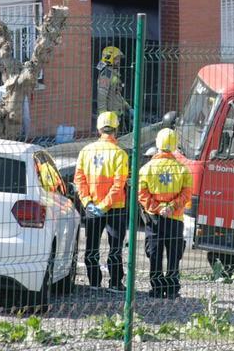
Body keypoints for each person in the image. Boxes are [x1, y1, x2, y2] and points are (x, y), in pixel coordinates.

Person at [73, 111, 129, 289]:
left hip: (92, 206)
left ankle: (94, 282)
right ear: (116, 129)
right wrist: (105, 205)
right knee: (115, 249)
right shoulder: (120, 154)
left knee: (91, 248)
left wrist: (88, 202)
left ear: (98, 129)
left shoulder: (85, 151)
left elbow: (79, 179)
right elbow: (119, 185)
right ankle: (115, 284)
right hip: (115, 208)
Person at [137, 128, 193, 298]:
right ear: (175, 145)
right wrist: (171, 207)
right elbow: (187, 194)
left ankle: (156, 287)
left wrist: (157, 208)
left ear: (157, 144)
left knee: (155, 253)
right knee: (174, 254)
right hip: (175, 218)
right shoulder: (183, 170)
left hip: (154, 219)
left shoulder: (147, 168)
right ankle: (172, 287)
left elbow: (142, 194)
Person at [96, 46, 130, 120]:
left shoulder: (114, 73)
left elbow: (117, 94)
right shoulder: (106, 75)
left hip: (117, 115)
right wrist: (103, 115)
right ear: (110, 59)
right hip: (110, 117)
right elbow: (102, 96)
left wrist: (128, 107)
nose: (119, 61)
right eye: (117, 58)